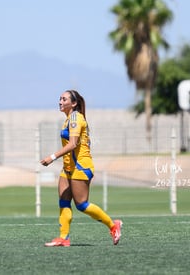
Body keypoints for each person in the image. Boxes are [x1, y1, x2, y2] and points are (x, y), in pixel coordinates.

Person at [40, 89, 122, 246]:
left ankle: (113, 225)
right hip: (68, 167)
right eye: (60, 99)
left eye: (64, 99)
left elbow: (73, 144)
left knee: (82, 205)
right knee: (64, 202)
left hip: (81, 166)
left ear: (74, 103)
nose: (60, 102)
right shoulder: (68, 119)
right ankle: (63, 238)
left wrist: (52, 157)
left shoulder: (76, 118)